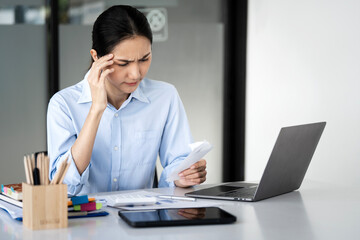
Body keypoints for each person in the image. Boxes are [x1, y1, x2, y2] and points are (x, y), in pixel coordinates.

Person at [47, 5, 207, 196]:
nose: (136, 73)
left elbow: (177, 163)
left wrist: (183, 176)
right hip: (86, 221)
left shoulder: (165, 97)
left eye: (144, 59)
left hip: (142, 219)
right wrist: (96, 110)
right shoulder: (63, 104)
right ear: (96, 57)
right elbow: (63, 184)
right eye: (123, 63)